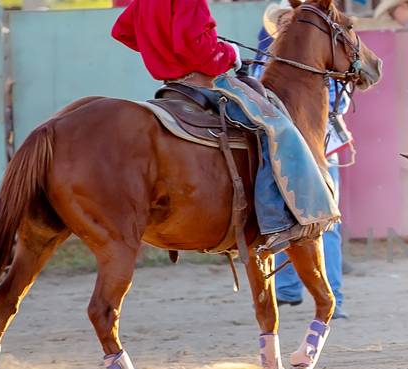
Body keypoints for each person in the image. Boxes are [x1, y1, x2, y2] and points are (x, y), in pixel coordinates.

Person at [112, 0, 340, 257]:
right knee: (277, 127)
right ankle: (277, 222)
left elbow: (122, 31)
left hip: (172, 84)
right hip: (206, 83)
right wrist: (228, 53)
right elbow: (198, 49)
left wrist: (162, 51)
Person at [256, 3, 351, 319]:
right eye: (281, 22)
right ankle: (287, 290)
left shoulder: (322, 52)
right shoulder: (266, 56)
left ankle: (330, 293)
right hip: (283, 147)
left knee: (324, 223)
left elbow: (343, 97)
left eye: (290, 20)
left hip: (318, 146)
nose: (287, 25)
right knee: (280, 218)